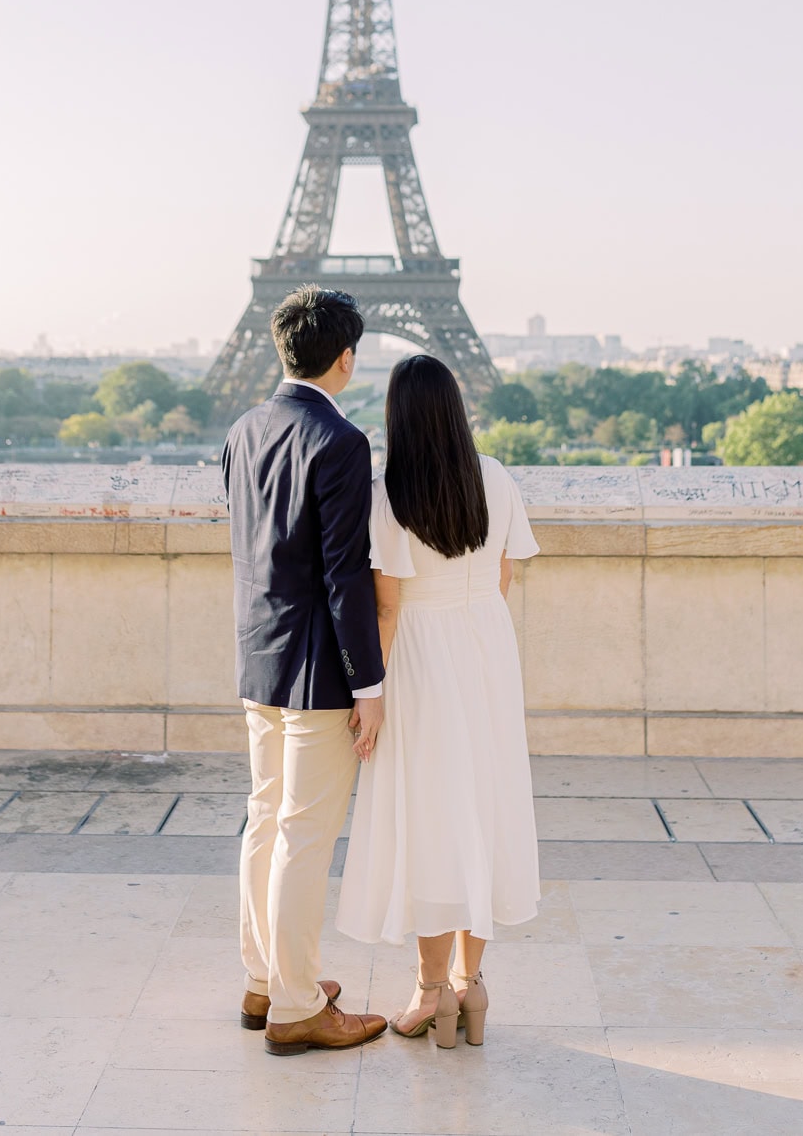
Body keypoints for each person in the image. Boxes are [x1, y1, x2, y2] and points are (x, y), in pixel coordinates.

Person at [336, 352, 541, 1048]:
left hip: (420, 654)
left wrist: (371, 694)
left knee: (428, 816)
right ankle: (470, 983)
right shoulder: (499, 478)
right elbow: (504, 574)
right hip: (487, 645)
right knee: (483, 807)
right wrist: (473, 630)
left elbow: (387, 607)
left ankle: (429, 991)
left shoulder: (387, 492)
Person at [222, 285, 389, 1058]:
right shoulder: (342, 442)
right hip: (321, 670)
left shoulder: (243, 430)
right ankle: (295, 1004)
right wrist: (371, 685)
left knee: (265, 820)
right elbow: (345, 576)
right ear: (346, 358)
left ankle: (266, 977)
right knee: (304, 834)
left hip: (259, 658)